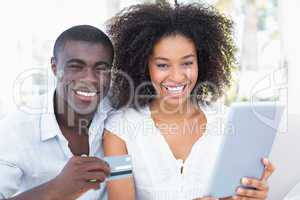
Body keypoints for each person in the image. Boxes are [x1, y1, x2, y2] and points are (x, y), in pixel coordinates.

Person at [103, 2, 274, 200]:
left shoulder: (229, 121)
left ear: (201, 62)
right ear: (144, 65)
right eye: (162, 65)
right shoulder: (118, 130)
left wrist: (253, 194)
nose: (176, 76)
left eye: (187, 63)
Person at [0, 25, 114, 200]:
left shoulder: (119, 114)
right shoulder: (16, 128)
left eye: (101, 68)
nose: (90, 78)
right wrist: (56, 190)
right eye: (76, 66)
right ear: (54, 67)